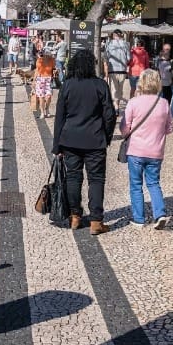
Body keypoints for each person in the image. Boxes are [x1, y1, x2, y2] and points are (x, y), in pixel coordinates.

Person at [52, 49, 117, 235]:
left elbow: (60, 117)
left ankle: (75, 216)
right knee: (96, 179)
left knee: (73, 177)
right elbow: (109, 114)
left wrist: (57, 145)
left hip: (70, 139)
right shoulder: (100, 85)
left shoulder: (67, 85)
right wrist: (107, 136)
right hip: (95, 140)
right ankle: (96, 220)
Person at [122, 69, 173, 228]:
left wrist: (128, 132)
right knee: (153, 183)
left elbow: (124, 127)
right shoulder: (164, 103)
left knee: (136, 184)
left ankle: (139, 218)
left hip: (136, 151)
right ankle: (160, 213)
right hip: (156, 152)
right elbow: (169, 128)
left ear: (141, 83)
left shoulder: (133, 102)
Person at [103, 29, 130, 105]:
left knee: (114, 89)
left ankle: (116, 107)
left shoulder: (109, 44)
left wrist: (106, 71)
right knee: (120, 89)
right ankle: (116, 106)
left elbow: (106, 57)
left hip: (112, 70)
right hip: (122, 70)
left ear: (114, 35)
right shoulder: (126, 44)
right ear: (121, 35)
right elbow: (128, 58)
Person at [33, 52, 56, 118]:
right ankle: (42, 112)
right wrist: (34, 81)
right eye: (46, 54)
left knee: (49, 96)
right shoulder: (39, 60)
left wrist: (56, 71)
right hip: (40, 79)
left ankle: (47, 109)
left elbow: (53, 69)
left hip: (49, 79)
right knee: (41, 97)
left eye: (49, 54)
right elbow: (37, 70)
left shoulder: (52, 60)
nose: (48, 56)